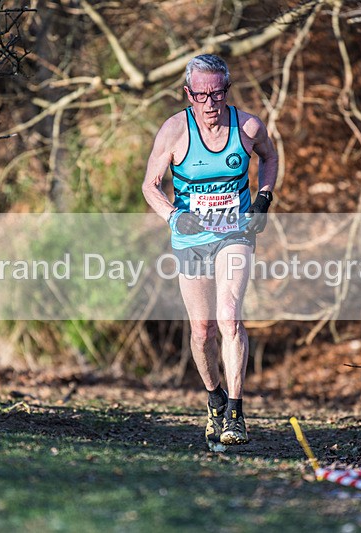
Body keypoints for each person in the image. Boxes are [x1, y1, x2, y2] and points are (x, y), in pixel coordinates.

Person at [142, 54, 278, 448]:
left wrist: (264, 196)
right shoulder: (174, 131)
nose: (210, 103)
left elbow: (269, 157)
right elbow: (150, 185)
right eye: (201, 95)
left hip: (235, 233)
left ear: (226, 91)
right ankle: (214, 396)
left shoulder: (248, 126)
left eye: (217, 93)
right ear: (188, 94)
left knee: (229, 318)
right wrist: (172, 217)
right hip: (190, 240)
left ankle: (235, 412)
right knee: (202, 330)